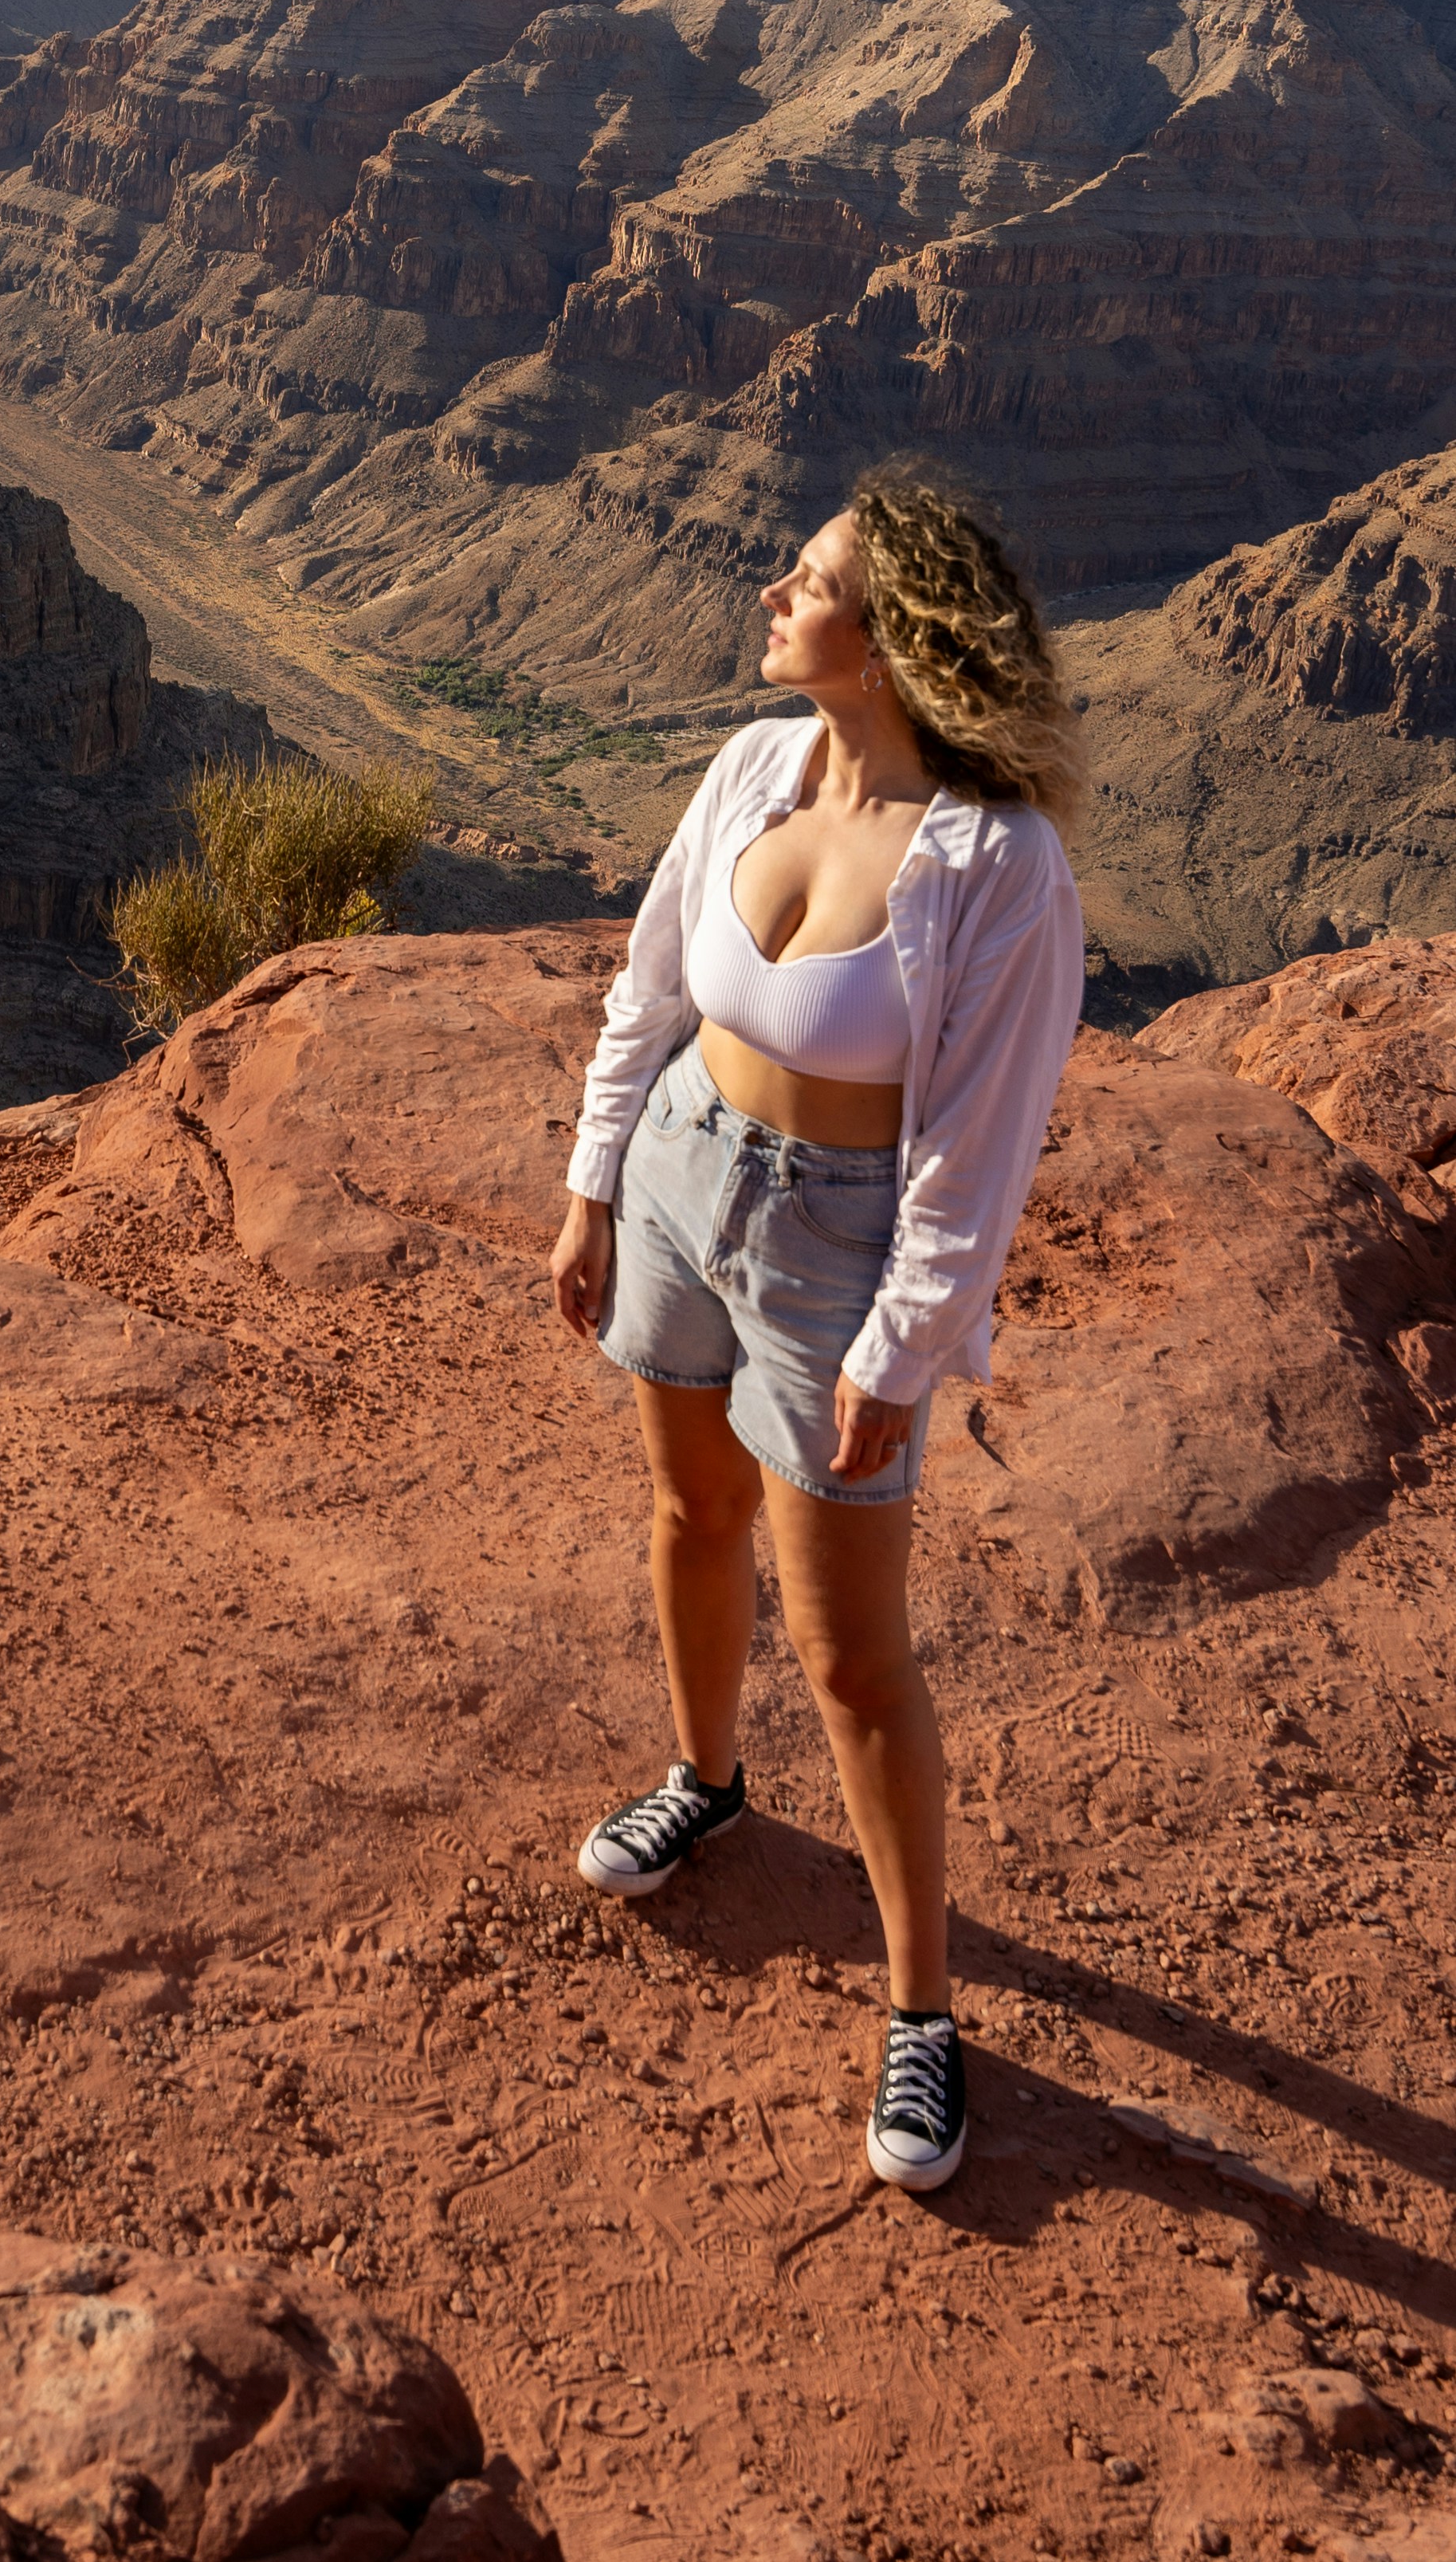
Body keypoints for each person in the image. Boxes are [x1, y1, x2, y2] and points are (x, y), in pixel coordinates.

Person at [545, 462, 1087, 2194]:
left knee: (853, 1649)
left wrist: (896, 1348)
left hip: (835, 1248)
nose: (772, 593)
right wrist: (594, 1180)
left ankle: (922, 2008)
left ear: (897, 633)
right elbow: (648, 983)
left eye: (808, 579)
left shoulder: (997, 868)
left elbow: (976, 1151)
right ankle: (704, 1776)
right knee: (688, 1512)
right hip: (685, 1175)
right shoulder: (750, 766)